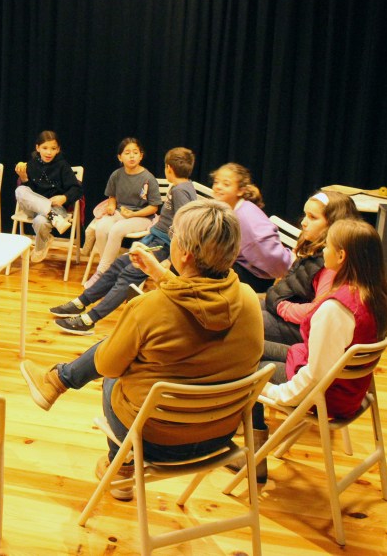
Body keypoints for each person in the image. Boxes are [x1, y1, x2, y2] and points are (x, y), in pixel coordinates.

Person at [20, 199, 262, 501]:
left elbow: (108, 367)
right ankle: (58, 381)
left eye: (173, 234)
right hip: (219, 435)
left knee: (116, 368)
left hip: (155, 441)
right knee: (132, 354)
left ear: (184, 253)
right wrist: (161, 276)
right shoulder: (249, 300)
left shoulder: (149, 307)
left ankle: (120, 467)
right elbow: (202, 299)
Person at [252, 219, 387, 483]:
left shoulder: (336, 309)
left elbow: (315, 377)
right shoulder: (374, 294)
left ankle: (252, 458)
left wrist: (276, 394)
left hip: (327, 394)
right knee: (251, 348)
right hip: (346, 387)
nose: (322, 251)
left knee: (248, 369)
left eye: (327, 246)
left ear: (341, 256)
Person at [50, 147, 197, 335]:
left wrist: (170, 255)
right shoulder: (181, 187)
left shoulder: (180, 191)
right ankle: (81, 302)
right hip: (154, 240)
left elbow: (186, 223)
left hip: (162, 245)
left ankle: (89, 319)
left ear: (169, 168)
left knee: (129, 274)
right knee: (119, 264)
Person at [262, 192, 359, 352]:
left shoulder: (330, 265)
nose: (303, 222)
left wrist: (282, 307)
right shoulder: (313, 248)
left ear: (333, 224)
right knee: (246, 307)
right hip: (291, 310)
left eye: (313, 217)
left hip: (304, 330)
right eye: (305, 215)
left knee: (245, 320)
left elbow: (318, 311)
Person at [80, 138, 161, 276]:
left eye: (135, 152)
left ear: (141, 156)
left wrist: (133, 214)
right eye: (127, 153)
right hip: (120, 213)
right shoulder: (116, 175)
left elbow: (154, 207)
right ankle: (109, 269)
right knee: (101, 227)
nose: (131, 156)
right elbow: (112, 197)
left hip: (142, 217)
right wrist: (111, 206)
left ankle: (102, 272)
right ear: (120, 157)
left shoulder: (148, 178)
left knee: (117, 229)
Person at [210, 162, 291, 292]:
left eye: (226, 184)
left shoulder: (247, 216)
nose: (218, 187)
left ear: (240, 191)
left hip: (253, 279)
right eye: (216, 182)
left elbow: (272, 258)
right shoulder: (228, 210)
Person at [13, 130, 82, 263]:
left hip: (56, 208)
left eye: (53, 148)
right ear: (37, 148)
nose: (49, 152)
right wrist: (24, 178)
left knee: (40, 221)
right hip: (33, 208)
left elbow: (77, 189)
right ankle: (52, 216)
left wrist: (64, 198)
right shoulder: (32, 164)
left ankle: (41, 244)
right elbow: (30, 192)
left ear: (58, 149)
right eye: (45, 148)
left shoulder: (62, 166)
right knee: (20, 190)